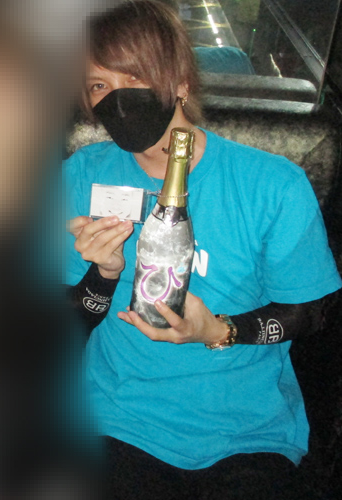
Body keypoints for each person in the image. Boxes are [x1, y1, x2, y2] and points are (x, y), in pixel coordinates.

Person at [64, 1, 341, 498]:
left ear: (180, 83)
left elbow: (309, 314)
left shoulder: (273, 185)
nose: (117, 99)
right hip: (114, 422)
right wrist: (102, 276)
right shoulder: (83, 174)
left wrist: (217, 330)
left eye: (134, 77)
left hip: (245, 434)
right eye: (98, 85)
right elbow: (62, 323)